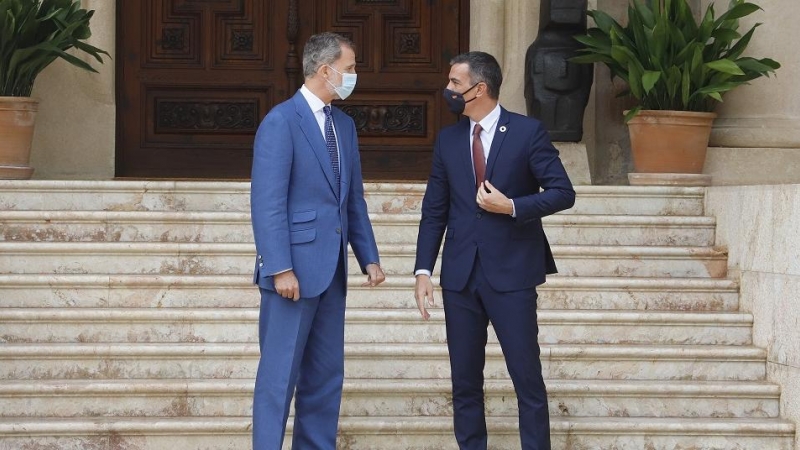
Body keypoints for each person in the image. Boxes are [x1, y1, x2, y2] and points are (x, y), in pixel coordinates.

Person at [413, 51, 575, 450]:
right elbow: (435, 210)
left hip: (513, 275)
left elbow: (563, 193)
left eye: (454, 82)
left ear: (479, 88)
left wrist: (514, 206)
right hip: (460, 277)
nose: (447, 90)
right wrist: (422, 271)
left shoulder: (527, 131)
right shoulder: (449, 139)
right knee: (465, 383)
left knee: (527, 381)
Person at [250, 32, 385, 449]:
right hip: (292, 275)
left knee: (326, 377)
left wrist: (368, 256)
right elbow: (267, 201)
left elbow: (352, 198)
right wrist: (280, 267)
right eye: (350, 68)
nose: (354, 76)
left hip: (333, 273)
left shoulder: (343, 125)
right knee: (279, 377)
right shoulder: (280, 120)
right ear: (325, 70)